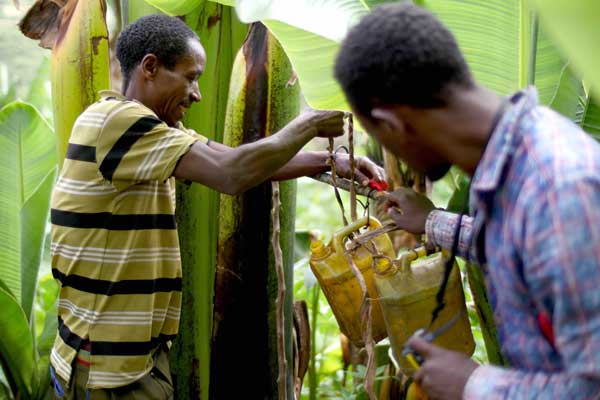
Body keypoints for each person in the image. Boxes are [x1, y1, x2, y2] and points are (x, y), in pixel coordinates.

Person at [49, 14, 384, 399]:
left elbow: (234, 157)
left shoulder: (152, 131)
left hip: (129, 354)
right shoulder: (120, 123)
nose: (197, 94)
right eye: (190, 77)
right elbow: (231, 172)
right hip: (107, 365)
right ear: (151, 67)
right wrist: (306, 125)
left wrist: (329, 162)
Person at [334, 3, 600, 399]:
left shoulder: (558, 188)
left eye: (383, 137)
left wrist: (474, 384)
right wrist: (432, 223)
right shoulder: (512, 159)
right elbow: (524, 246)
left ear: (391, 124)